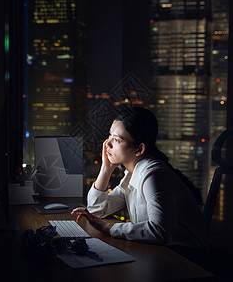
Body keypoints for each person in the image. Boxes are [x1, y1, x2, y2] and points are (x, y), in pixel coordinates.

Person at [71, 107, 209, 249]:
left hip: (188, 259)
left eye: (117, 140)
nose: (108, 144)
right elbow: (96, 211)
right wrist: (106, 169)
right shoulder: (132, 173)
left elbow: (159, 231)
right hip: (163, 252)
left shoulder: (153, 175)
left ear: (139, 149)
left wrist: (108, 227)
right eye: (110, 136)